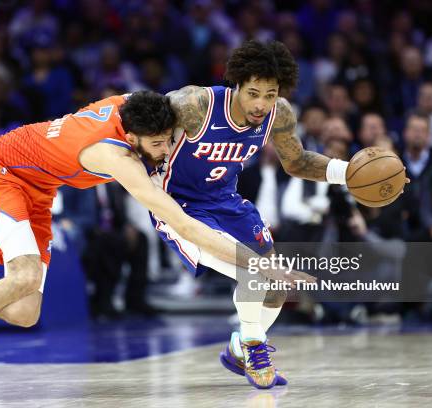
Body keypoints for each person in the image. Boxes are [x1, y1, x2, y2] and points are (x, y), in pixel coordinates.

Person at [0, 91, 307, 388]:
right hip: (1, 172)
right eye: (156, 145)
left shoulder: (141, 109)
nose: (163, 150)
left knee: (25, 313)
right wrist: (260, 265)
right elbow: (185, 225)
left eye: (168, 140)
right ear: (132, 138)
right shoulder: (113, 155)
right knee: (24, 276)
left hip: (40, 188)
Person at [149, 40, 390, 389]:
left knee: (277, 286)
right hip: (178, 207)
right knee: (257, 272)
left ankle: (238, 347)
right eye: (253, 93)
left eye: (270, 94)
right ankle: (254, 347)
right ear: (236, 86)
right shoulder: (193, 105)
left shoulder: (281, 114)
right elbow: (137, 128)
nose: (262, 104)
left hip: (225, 200)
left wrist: (347, 171)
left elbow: (298, 162)